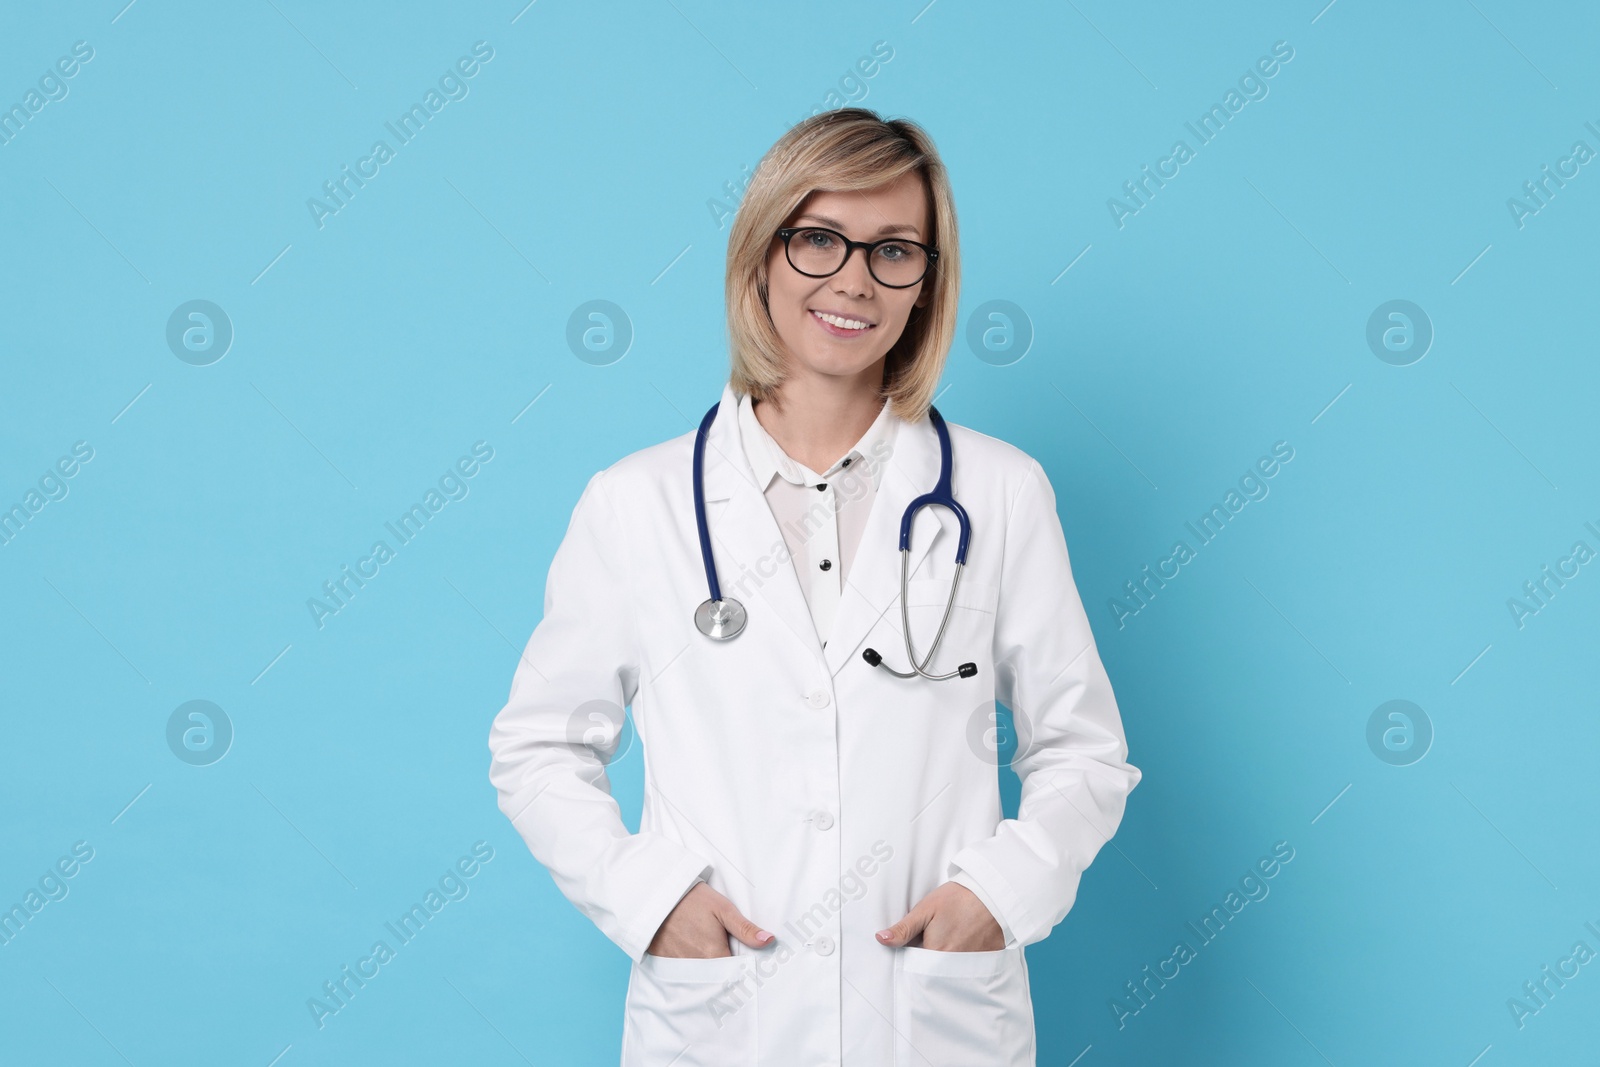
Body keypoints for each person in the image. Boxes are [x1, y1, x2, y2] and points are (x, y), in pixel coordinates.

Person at [487, 107, 1140, 1067]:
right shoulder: (638, 503)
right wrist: (648, 897)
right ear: (761, 256)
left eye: (894, 252)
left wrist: (998, 896)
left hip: (933, 1019)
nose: (853, 280)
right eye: (818, 239)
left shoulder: (999, 493)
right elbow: (536, 748)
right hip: (723, 1019)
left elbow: (1085, 751)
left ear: (927, 284)